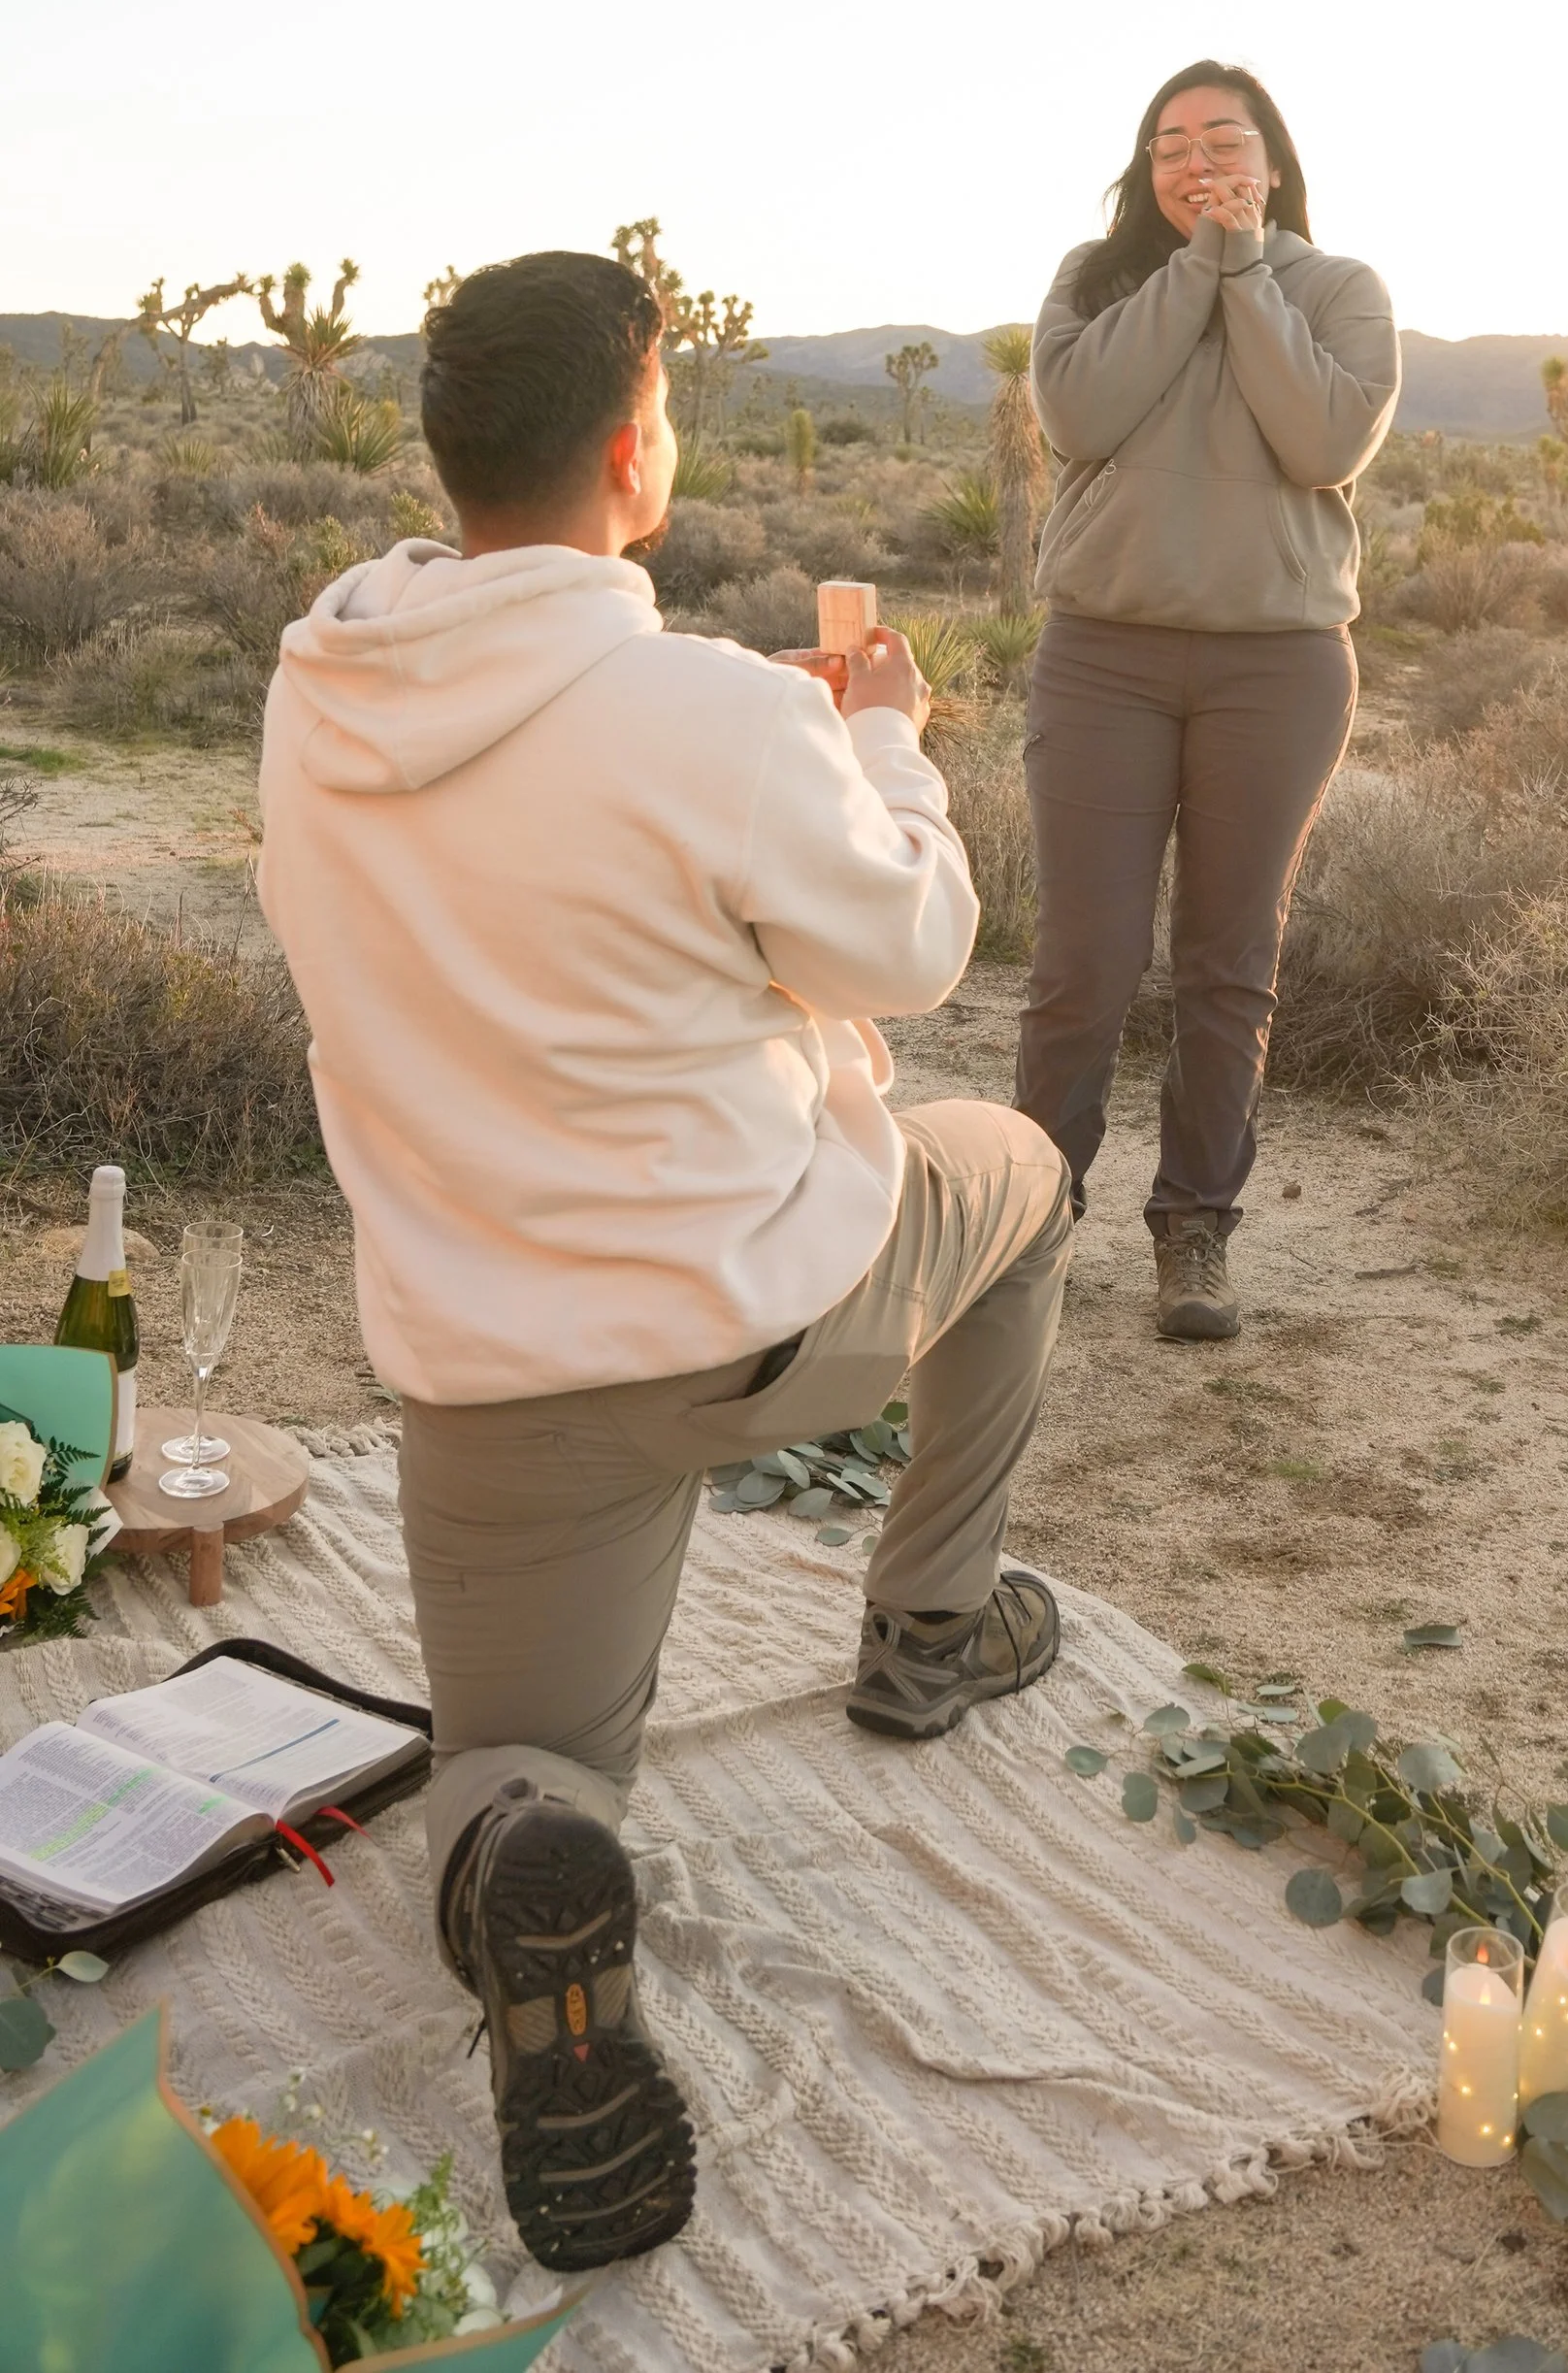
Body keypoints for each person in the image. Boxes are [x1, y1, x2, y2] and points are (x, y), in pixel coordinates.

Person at [257, 251, 1070, 2277]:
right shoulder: (716, 711)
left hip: (488, 1365)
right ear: (637, 447)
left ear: (447, 448)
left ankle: (527, 1868)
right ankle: (930, 1632)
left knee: (515, 1769)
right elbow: (910, 945)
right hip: (752, 1316)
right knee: (1026, 1179)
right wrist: (883, 748)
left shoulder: (320, 691)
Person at [1015, 61, 1399, 1342]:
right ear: (1148, 169)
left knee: (1229, 963)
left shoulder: (1339, 290)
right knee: (1085, 958)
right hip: (1104, 655)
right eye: (1170, 144)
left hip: (1275, 666)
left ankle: (1195, 1229)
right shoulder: (1096, 277)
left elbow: (1322, 440)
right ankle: (1028, 1221)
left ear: (1272, 163)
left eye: (1223, 140)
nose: (1197, 161)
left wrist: (1246, 274)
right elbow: (1082, 412)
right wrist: (1194, 270)